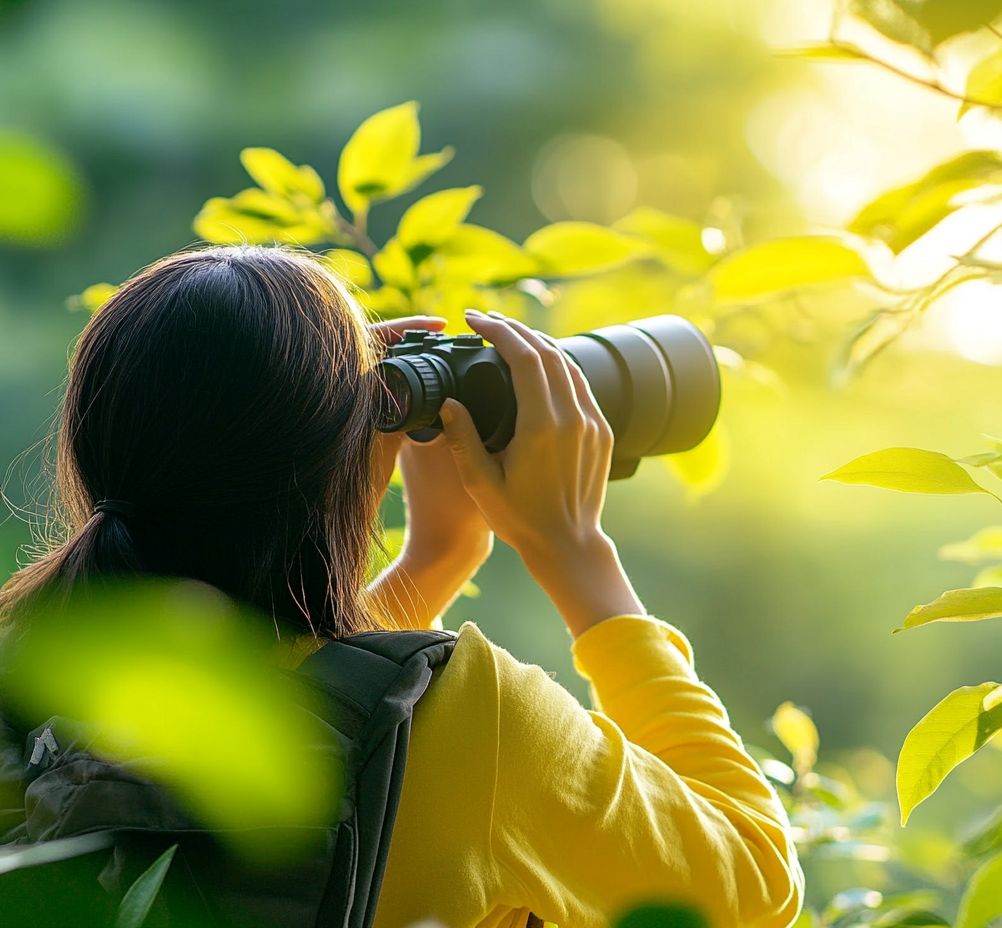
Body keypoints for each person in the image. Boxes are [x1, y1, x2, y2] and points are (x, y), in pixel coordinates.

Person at [0, 245, 804, 927]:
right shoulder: (472, 719)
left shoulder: (32, 678)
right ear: (346, 462)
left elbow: (298, 688)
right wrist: (575, 554)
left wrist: (437, 558)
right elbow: (757, 885)